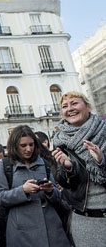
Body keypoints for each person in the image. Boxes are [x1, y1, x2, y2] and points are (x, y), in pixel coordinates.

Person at [0, 125, 70, 247]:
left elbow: (58, 197)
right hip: (21, 233)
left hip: (52, 231)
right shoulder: (4, 165)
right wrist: (23, 191)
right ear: (15, 146)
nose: (28, 149)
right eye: (23, 146)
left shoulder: (43, 163)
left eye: (31, 144)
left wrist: (50, 191)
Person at [51, 91, 106, 247]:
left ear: (88, 106)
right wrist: (68, 168)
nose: (70, 108)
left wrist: (101, 160)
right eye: (65, 106)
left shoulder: (104, 130)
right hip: (84, 218)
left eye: (74, 103)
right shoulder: (59, 140)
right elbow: (64, 183)